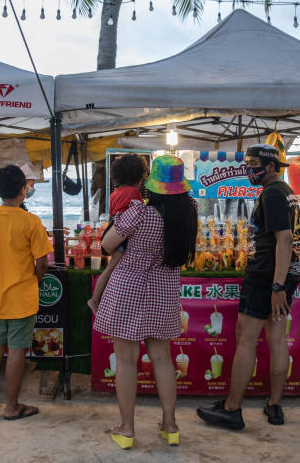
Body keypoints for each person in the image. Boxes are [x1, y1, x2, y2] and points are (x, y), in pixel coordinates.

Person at [94, 155, 196, 449]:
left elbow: (108, 244)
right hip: (165, 290)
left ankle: (127, 429)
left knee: (126, 361)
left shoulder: (139, 212)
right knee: (163, 359)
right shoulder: (189, 214)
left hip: (128, 288)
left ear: (151, 184)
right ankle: (170, 425)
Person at [198, 143, 300, 430]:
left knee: (246, 338)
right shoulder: (286, 192)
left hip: (266, 277)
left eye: (253, 163)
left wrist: (277, 285)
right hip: (283, 274)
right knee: (277, 338)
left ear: (269, 166)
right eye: (246, 163)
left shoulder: (271, 193)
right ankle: (274, 405)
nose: (248, 169)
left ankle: (232, 409)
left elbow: (283, 239)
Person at [0, 165, 50, 423]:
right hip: (22, 296)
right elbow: (42, 261)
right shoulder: (30, 221)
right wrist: (34, 280)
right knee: (16, 350)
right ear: (22, 190)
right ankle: (12, 406)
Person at [88, 153, 148, 313]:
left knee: (111, 267)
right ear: (140, 177)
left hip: (114, 226)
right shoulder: (133, 194)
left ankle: (97, 299)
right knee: (111, 267)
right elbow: (136, 215)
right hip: (122, 231)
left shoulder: (116, 192)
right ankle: (94, 300)